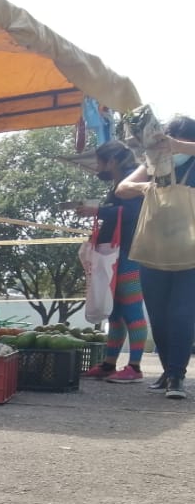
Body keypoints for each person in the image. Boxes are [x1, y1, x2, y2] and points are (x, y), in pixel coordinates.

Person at [115, 115, 195, 399]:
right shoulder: (152, 166)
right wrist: (143, 187)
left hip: (191, 254)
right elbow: (122, 188)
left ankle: (177, 376)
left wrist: (181, 147)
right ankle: (167, 371)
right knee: (159, 317)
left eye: (172, 140)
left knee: (181, 314)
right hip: (154, 250)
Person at [76, 141, 147, 383]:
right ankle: (109, 363)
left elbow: (130, 214)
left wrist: (97, 212)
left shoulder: (131, 183)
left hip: (129, 253)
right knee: (114, 311)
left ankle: (135, 367)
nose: (98, 167)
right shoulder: (119, 184)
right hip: (115, 253)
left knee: (132, 309)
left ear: (113, 161)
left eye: (100, 162)